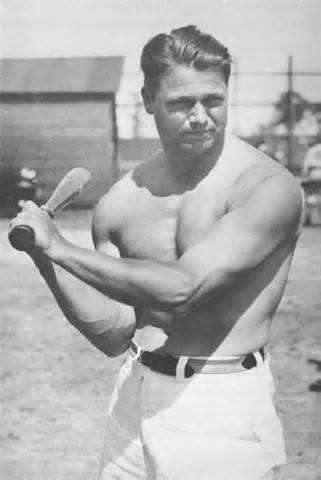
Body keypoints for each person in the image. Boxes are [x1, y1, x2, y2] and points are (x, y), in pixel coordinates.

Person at [9, 25, 304, 480]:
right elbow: (112, 332)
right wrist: (44, 256)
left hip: (222, 404)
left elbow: (183, 291)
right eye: (182, 103)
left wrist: (60, 246)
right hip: (136, 391)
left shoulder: (266, 187)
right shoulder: (121, 202)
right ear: (148, 100)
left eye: (214, 100)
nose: (201, 116)